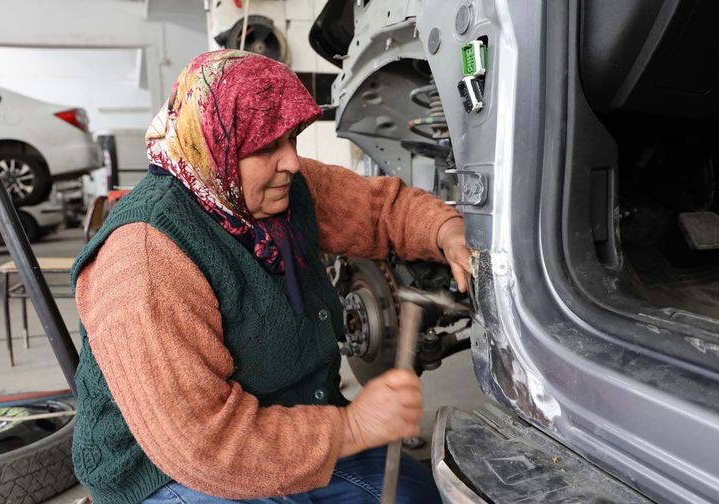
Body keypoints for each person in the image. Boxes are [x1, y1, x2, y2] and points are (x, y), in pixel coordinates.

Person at [70, 50, 471, 504]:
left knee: (421, 496)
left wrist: (445, 232)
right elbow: (204, 446)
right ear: (212, 148)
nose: (292, 163)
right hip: (165, 471)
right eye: (266, 148)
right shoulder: (146, 260)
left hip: (288, 421)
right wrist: (354, 427)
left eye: (292, 139)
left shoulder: (274, 188)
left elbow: (381, 209)